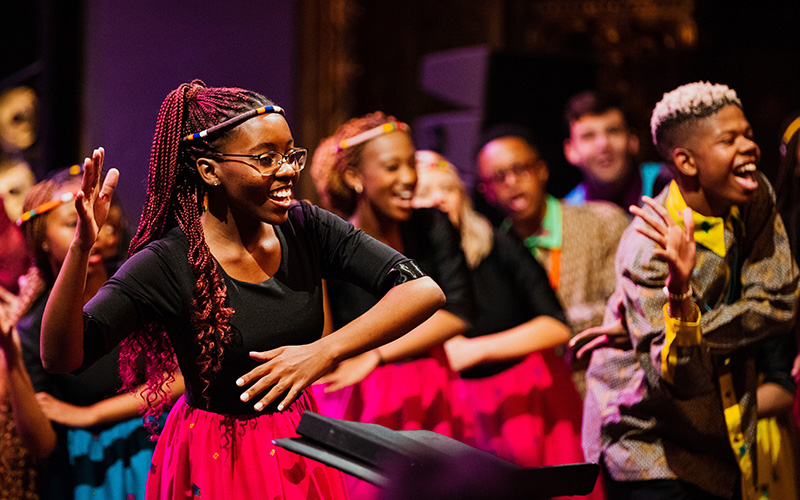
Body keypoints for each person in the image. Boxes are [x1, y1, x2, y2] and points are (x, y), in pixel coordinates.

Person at [37, 81, 444, 500]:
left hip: (298, 437)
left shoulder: (307, 227)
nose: (287, 169)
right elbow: (62, 356)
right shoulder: (169, 262)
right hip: (216, 451)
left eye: (290, 155)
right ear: (210, 170)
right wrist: (81, 246)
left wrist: (324, 351)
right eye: (265, 159)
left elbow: (423, 290)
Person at [580, 81, 798, 499]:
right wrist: (679, 294)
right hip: (647, 446)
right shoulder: (648, 247)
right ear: (686, 160)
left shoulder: (754, 197)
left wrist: (671, 331)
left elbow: (781, 303)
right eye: (729, 140)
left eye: (748, 134)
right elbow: (683, 376)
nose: (749, 147)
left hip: (714, 441)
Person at [413, 151, 603, 499]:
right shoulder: (410, 267)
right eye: (425, 192)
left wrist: (474, 350)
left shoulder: (496, 244)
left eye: (447, 189)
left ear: (463, 196)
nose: (438, 198)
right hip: (459, 408)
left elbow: (557, 325)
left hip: (526, 397)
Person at [16, 167, 184, 500]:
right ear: (41, 238)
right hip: (92, 469)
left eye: (103, 221)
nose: (91, 230)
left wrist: (91, 415)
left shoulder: (137, 281)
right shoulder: (33, 329)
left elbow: (183, 377)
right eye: (71, 224)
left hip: (159, 439)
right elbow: (43, 441)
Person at [311, 114, 473, 434]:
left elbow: (458, 312)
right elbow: (323, 338)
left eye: (411, 164)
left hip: (430, 382)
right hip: (361, 392)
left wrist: (376, 354)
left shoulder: (431, 225)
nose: (409, 177)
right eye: (392, 167)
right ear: (356, 177)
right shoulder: (332, 241)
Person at [475, 124, 629, 397]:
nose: (512, 182)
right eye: (499, 177)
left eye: (520, 169)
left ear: (542, 170)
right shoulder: (492, 254)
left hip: (609, 389)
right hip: (537, 399)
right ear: (486, 190)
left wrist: (544, 331)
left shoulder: (602, 222)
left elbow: (622, 310)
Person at [562, 90, 669, 209]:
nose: (603, 144)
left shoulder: (671, 182)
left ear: (633, 140)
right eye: (589, 136)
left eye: (613, 131)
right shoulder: (569, 213)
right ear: (570, 150)